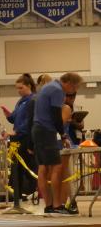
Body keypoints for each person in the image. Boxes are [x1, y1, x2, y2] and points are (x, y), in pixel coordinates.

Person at [32, 72, 83, 215]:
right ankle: (56, 205)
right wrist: (63, 135)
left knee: (43, 168)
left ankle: (49, 205)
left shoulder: (48, 87)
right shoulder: (57, 90)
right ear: (69, 84)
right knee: (56, 167)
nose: (73, 92)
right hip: (46, 130)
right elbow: (56, 116)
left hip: (38, 129)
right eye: (75, 88)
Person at [3, 74, 37, 201]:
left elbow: (30, 121)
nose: (18, 91)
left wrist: (17, 131)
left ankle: (32, 192)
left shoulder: (33, 100)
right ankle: (16, 194)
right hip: (16, 140)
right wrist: (8, 115)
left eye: (21, 88)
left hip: (27, 139)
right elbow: (14, 119)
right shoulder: (20, 101)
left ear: (29, 86)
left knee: (29, 167)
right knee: (16, 168)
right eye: (17, 88)